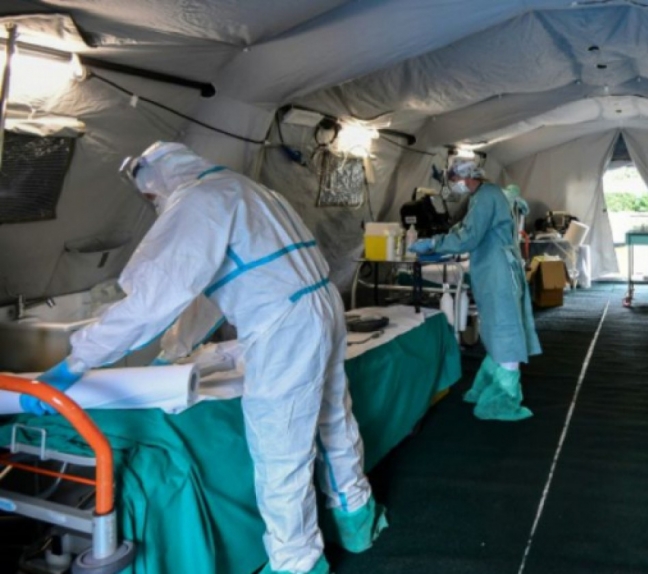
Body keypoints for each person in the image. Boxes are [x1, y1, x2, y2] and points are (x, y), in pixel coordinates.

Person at [19, 142, 386, 574]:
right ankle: (355, 519)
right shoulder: (245, 189)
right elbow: (206, 293)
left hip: (284, 324)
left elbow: (152, 301)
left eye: (150, 195)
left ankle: (297, 562)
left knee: (280, 449)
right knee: (332, 417)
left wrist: (77, 361)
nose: (152, 203)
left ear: (159, 180)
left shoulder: (196, 202)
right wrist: (173, 351)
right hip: (321, 305)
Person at [409, 159, 541, 421]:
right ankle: (491, 383)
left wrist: (435, 243)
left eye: (454, 179)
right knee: (494, 328)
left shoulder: (486, 196)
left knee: (504, 329)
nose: (453, 184)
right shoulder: (483, 196)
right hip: (495, 270)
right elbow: (467, 227)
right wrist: (445, 237)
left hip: (499, 272)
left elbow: (469, 236)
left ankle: (505, 398)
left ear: (466, 176)